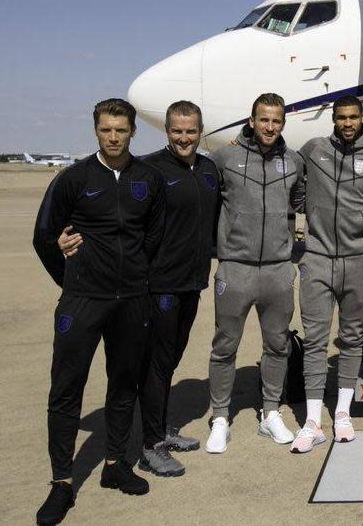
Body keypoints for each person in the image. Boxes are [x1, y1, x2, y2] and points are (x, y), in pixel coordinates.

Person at [33, 98, 165, 524]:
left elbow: (153, 238)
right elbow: (44, 237)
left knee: (124, 383)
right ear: (96, 130)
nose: (114, 137)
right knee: (66, 389)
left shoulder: (149, 179)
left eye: (121, 130)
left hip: (131, 301)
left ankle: (115, 466)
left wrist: (136, 283)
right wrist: (72, 278)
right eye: (106, 130)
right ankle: (61, 483)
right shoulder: (72, 179)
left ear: (133, 132)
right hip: (83, 300)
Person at [292, 96, 363, 453]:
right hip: (318, 257)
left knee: (352, 338)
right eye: (341, 118)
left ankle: (341, 412)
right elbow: (283, 166)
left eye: (353, 117)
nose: (348, 123)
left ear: (362, 118)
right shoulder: (314, 149)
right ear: (334, 119)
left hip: (358, 259)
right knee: (315, 338)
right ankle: (311, 420)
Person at [205, 93, 305, 454]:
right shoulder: (224, 158)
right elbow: (201, 201)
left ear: (283, 123)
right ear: (251, 120)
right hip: (236, 267)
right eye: (263, 120)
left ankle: (271, 412)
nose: (270, 127)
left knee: (277, 344)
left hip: (278, 270)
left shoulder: (293, 162)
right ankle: (219, 417)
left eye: (276, 121)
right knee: (224, 346)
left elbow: (304, 203)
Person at [136, 101, 219, 475]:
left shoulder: (208, 170)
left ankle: (161, 429)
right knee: (156, 362)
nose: (184, 138)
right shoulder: (151, 169)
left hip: (192, 282)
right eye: (176, 131)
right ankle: (151, 445)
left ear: (201, 131)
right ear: (166, 131)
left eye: (190, 131)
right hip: (160, 285)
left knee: (169, 361)